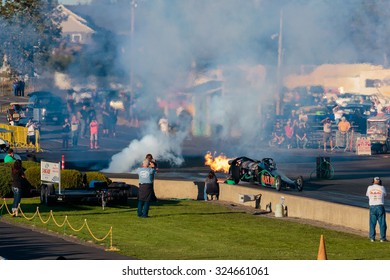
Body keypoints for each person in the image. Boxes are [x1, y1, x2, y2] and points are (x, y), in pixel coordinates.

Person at [366, 177, 387, 242]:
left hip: (372, 206)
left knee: (372, 223)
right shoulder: (382, 188)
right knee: (382, 223)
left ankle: (372, 238)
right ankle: (382, 238)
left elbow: (367, 195)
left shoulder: (369, 187)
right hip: (380, 206)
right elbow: (385, 194)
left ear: (373, 181)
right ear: (379, 182)